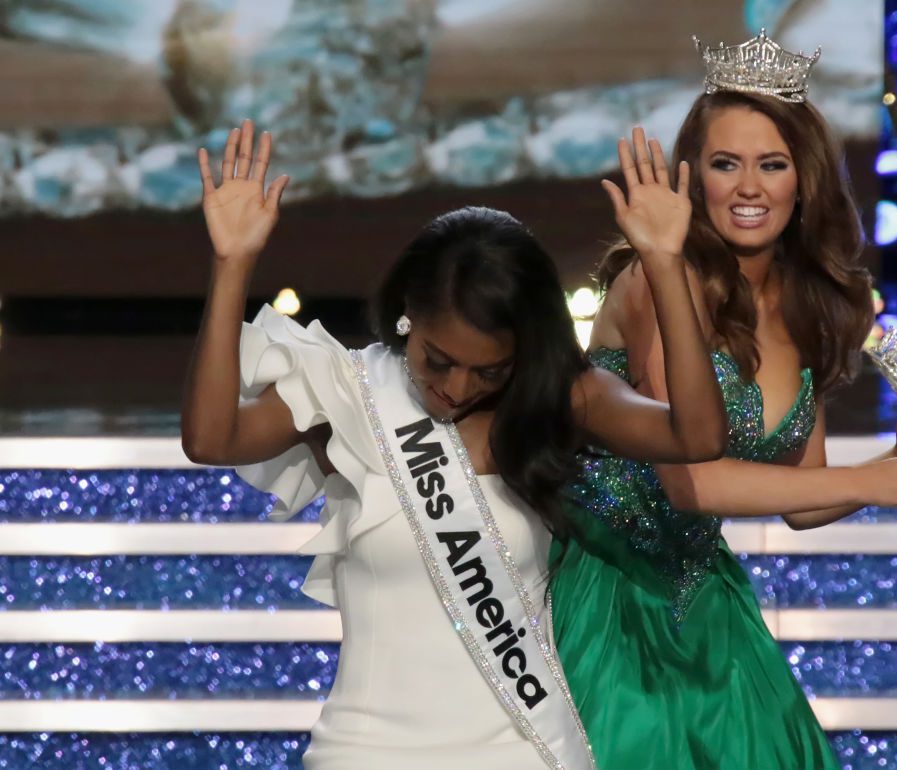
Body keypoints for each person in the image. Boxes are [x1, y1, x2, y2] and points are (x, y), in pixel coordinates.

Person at [180, 119, 727, 770]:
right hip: (368, 754)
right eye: (436, 360)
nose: (456, 388)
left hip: (523, 751)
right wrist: (232, 263)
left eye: (488, 370)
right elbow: (211, 439)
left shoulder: (559, 398)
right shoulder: (346, 390)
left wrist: (664, 265)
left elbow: (696, 436)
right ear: (408, 312)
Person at [549, 33, 897, 770]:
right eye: (725, 164)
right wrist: (870, 482)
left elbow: (803, 499)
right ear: (694, 177)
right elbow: (691, 480)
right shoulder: (657, 283)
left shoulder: (804, 306)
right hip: (606, 592)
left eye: (771, 165)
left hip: (706, 596)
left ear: (801, 180)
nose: (749, 187)